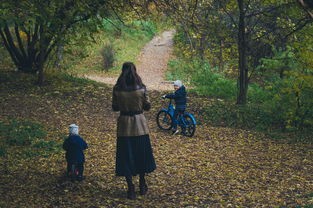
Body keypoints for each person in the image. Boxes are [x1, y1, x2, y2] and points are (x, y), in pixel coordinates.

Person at [112, 62, 156, 200]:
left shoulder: (117, 89)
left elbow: (115, 107)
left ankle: (130, 187)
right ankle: (142, 184)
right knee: (141, 155)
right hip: (140, 126)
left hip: (124, 127)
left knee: (126, 157)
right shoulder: (141, 88)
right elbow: (147, 106)